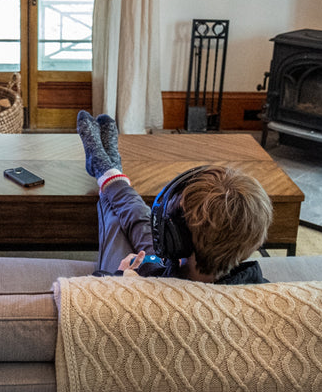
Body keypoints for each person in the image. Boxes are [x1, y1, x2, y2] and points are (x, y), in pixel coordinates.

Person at [77, 111, 273, 284]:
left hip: (156, 277)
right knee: (140, 220)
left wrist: (122, 279)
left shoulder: (145, 293)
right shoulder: (264, 292)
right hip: (175, 268)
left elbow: (92, 295)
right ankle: (109, 171)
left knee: (117, 225)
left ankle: (105, 169)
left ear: (176, 241)